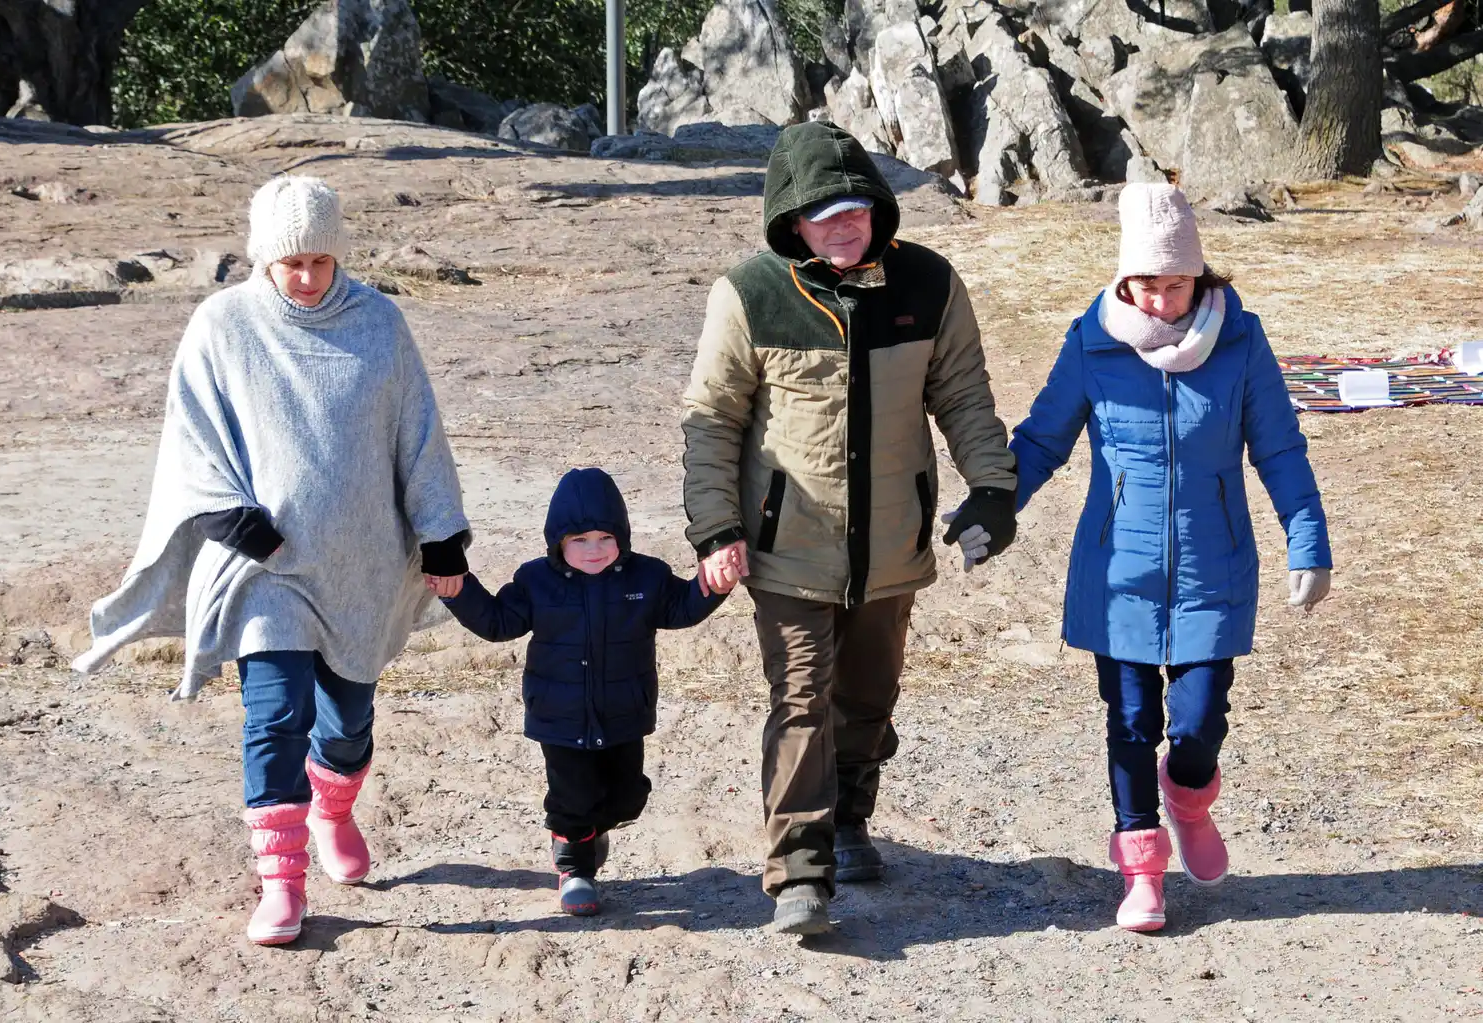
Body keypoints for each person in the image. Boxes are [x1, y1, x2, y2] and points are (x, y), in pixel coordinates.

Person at [72, 176, 471, 946]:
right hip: (266, 566)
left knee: (346, 722)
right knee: (276, 714)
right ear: (264, 258)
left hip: (360, 563)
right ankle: (282, 883)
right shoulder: (224, 325)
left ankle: (333, 806)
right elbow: (190, 433)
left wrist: (442, 536)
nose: (308, 276)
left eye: (321, 260)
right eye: (292, 262)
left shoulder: (380, 323)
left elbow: (418, 433)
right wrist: (233, 520)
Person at [681, 121, 1018, 935]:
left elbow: (963, 395)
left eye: (857, 209)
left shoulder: (929, 283)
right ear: (792, 220)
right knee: (801, 700)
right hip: (787, 547)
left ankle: (850, 817)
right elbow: (712, 419)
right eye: (824, 214)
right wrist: (717, 526)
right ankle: (799, 872)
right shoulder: (749, 294)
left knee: (868, 693)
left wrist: (992, 489)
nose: (844, 226)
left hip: (892, 543)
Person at [1010, 183, 1333, 932]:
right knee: (1128, 721)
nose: (1160, 301)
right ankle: (1142, 870)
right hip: (1117, 569)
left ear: (1200, 277)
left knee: (1198, 722)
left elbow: (1279, 448)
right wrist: (994, 505)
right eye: (1146, 284)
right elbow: (1042, 439)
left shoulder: (1240, 343)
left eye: (1177, 284)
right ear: (1125, 278)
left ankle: (1189, 798)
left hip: (1211, 567)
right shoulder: (1092, 342)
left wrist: (1308, 538)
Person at [436, 467, 725, 916]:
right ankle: (575, 870)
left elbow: (682, 609)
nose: (594, 550)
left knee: (627, 797)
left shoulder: (646, 577)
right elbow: (498, 622)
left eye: (605, 538)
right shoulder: (536, 580)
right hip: (559, 716)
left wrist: (715, 586)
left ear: (622, 536)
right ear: (557, 542)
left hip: (624, 712)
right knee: (572, 799)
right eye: (580, 540)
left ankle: (592, 830)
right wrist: (459, 592)